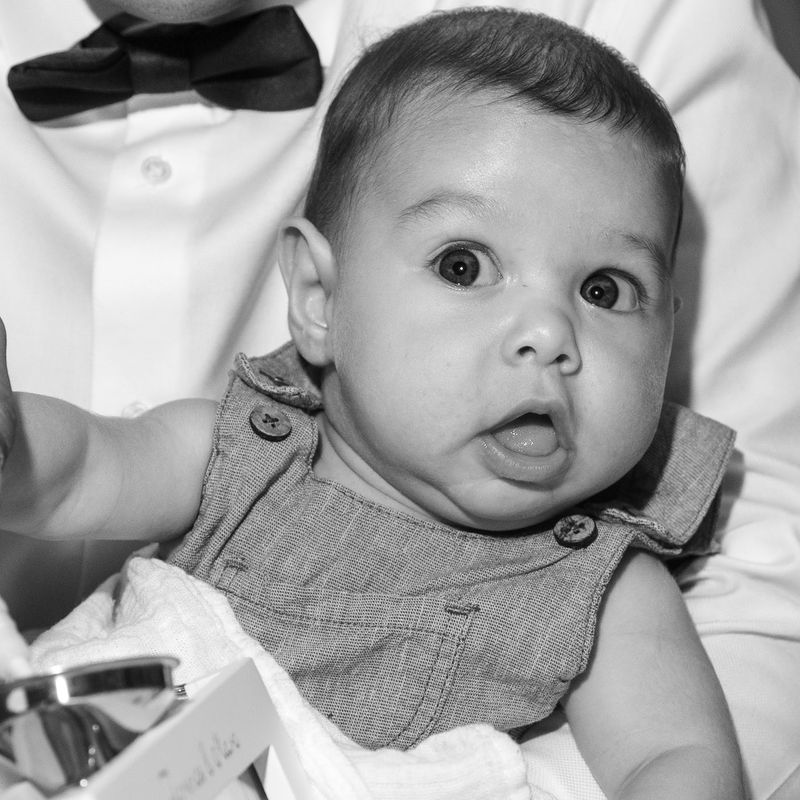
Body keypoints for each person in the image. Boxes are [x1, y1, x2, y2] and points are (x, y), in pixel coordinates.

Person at [2, 2, 799, 799]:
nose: (549, 333)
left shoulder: (601, 590)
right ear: (319, 297)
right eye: (464, 266)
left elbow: (678, 761)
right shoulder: (242, 453)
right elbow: (73, 473)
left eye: (605, 289)